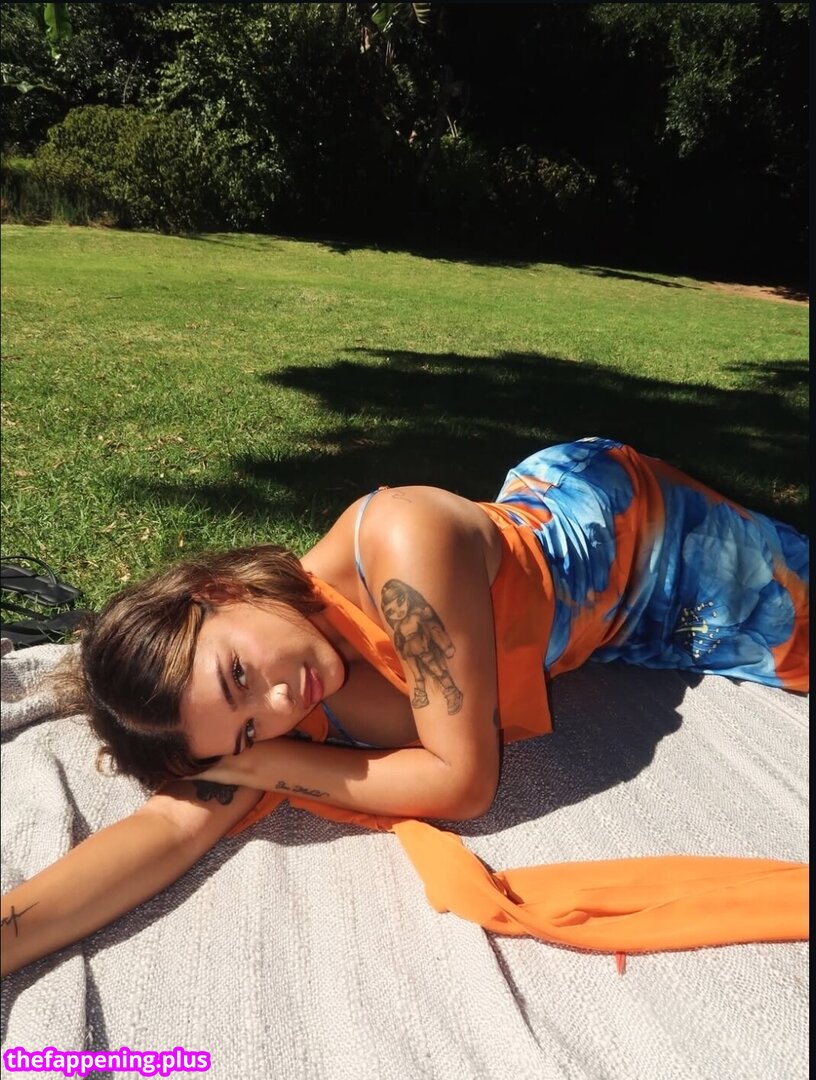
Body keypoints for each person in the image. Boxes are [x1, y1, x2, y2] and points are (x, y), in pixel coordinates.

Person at [1, 437, 808, 977]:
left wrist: (264, 759)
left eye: (239, 674)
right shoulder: (283, 699)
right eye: (246, 728)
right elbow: (171, 828)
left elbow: (464, 783)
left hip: (645, 537)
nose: (277, 703)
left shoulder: (402, 538)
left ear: (216, 590)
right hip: (612, 636)